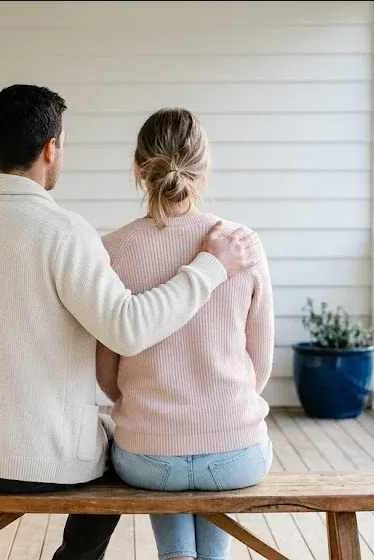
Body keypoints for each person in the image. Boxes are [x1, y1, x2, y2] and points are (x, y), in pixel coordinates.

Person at [0, 85, 263, 560]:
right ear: (50, 148)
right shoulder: (65, 232)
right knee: (118, 450)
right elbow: (127, 329)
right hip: (46, 463)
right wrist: (208, 269)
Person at [96, 108, 275, 560]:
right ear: (204, 167)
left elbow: (106, 376)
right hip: (236, 452)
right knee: (207, 454)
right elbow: (261, 366)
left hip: (147, 458)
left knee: (166, 454)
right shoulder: (242, 243)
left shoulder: (111, 250)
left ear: (140, 171)